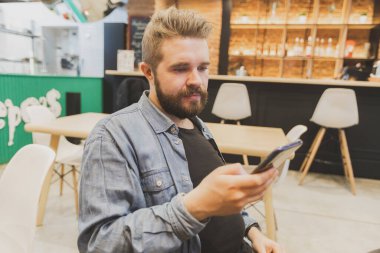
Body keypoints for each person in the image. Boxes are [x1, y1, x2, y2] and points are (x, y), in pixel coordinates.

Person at [78, 7, 284, 253]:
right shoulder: (113, 137)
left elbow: (220, 202)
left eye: (203, 68)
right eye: (180, 68)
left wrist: (253, 233)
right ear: (148, 72)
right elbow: (99, 243)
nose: (196, 80)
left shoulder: (197, 124)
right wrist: (193, 208)